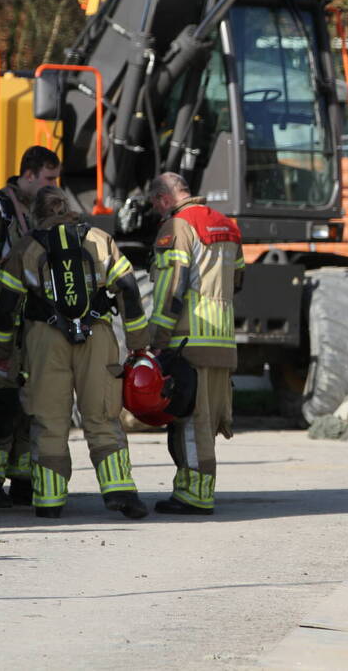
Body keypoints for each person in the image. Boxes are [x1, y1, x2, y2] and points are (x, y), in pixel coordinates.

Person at [0, 187, 150, 519]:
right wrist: (137, 342)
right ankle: (120, 490)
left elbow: (5, 306)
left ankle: (49, 501)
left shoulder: (27, 246)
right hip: (98, 335)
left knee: (49, 421)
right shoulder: (99, 238)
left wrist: (1, 350)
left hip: (45, 340)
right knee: (103, 415)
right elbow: (130, 289)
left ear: (37, 213)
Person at [0, 146, 60, 508]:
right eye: (49, 178)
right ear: (29, 175)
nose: (54, 185)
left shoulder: (33, 214)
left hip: (28, 326)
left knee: (26, 406)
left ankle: (21, 482)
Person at [147, 173, 244, 515]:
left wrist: (157, 339)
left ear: (163, 198)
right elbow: (239, 279)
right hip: (222, 339)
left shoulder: (177, 227)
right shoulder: (227, 225)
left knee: (190, 421)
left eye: (154, 205)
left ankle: (194, 495)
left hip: (188, 339)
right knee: (210, 420)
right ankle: (197, 489)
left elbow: (171, 288)